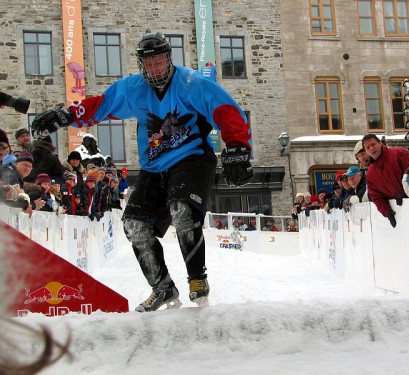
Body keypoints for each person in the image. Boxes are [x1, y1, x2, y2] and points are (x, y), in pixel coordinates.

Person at [31, 31, 253, 311]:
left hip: (191, 158)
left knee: (181, 209)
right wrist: (66, 115)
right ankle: (163, 288)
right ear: (141, 65)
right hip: (153, 166)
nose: (154, 69)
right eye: (148, 64)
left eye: (159, 62)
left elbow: (226, 110)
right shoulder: (134, 88)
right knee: (133, 224)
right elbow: (100, 105)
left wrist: (237, 146)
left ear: (169, 59)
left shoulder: (190, 83)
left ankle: (197, 279)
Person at [362, 134, 409, 228]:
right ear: (366, 151)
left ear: (379, 143)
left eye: (373, 144)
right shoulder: (370, 173)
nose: (371, 148)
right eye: (368, 147)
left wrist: (407, 193)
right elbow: (376, 196)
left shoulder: (399, 154)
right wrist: (387, 212)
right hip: (400, 214)